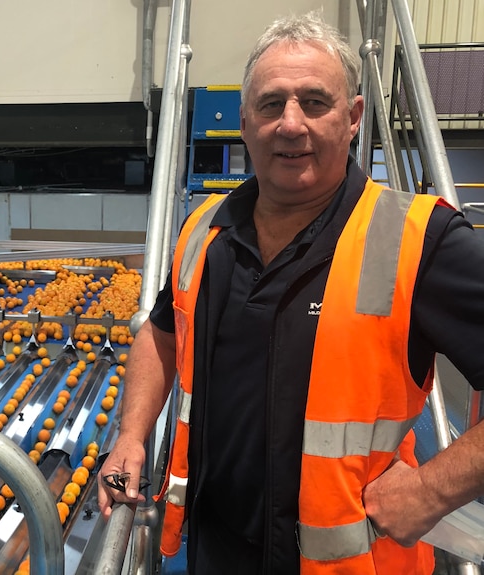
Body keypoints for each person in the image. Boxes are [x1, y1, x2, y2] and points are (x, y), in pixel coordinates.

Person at [97, 10, 484, 575]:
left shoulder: (419, 240)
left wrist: (430, 490)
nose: (291, 124)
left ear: (353, 118)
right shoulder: (206, 229)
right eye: (271, 104)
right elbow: (161, 331)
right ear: (245, 122)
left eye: (315, 102)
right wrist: (132, 434)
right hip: (216, 553)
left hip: (351, 563)